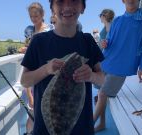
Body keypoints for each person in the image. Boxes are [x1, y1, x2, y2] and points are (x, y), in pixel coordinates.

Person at [20, 0, 104, 134]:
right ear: (52, 8)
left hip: (82, 129)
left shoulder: (88, 42)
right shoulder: (38, 42)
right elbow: (24, 81)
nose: (67, 6)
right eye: (60, 2)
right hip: (45, 130)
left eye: (74, 1)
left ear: (83, 7)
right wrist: (46, 69)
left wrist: (92, 76)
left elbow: (103, 79)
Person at [93, 0, 142, 132]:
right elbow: (109, 41)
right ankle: (102, 124)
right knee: (102, 94)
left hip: (123, 66)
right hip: (107, 61)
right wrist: (105, 43)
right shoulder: (117, 20)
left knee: (101, 94)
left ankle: (87, 126)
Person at [21, 2, 53, 135]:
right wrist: (25, 49)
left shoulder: (50, 29)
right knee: (32, 110)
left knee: (48, 111)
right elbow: (29, 55)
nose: (34, 18)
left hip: (47, 75)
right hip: (32, 76)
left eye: (36, 15)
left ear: (42, 14)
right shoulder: (29, 31)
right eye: (31, 16)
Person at [93, 8, 115, 131]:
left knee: (101, 95)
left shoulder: (112, 28)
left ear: (103, 16)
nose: (99, 18)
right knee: (99, 96)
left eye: (100, 15)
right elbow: (101, 49)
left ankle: (93, 124)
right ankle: (102, 124)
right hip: (104, 65)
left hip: (110, 66)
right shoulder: (104, 30)